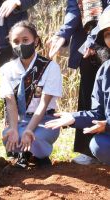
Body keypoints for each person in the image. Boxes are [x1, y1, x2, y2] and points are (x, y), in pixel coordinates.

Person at [47, 0, 110, 165]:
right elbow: (74, 11)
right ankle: (88, 151)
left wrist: (94, 36)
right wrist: (62, 34)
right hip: (90, 47)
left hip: (99, 36)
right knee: (91, 96)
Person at [0, 21, 62, 168]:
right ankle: (23, 154)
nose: (21, 44)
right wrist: (14, 128)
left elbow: (43, 104)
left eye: (25, 40)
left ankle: (40, 156)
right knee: (9, 135)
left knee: (36, 137)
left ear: (36, 40)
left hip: (44, 119)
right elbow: (10, 103)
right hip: (20, 119)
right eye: (16, 41)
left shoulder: (50, 67)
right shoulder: (7, 69)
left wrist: (29, 129)